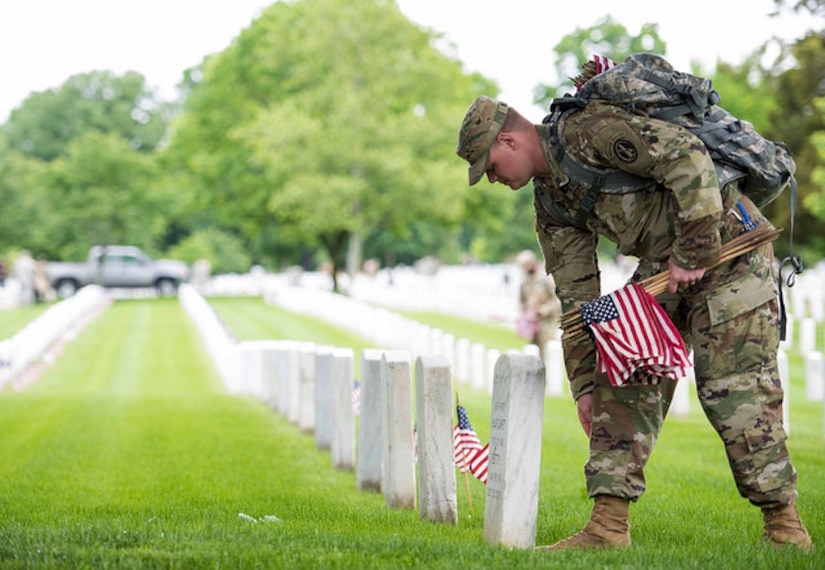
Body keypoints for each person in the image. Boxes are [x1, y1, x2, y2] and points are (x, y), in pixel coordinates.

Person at [455, 88, 811, 551]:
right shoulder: (551, 204)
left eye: (491, 168)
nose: (492, 179)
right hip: (667, 270)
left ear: (508, 142)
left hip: (728, 252)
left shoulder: (591, 133)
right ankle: (607, 528)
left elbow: (689, 158)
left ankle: (785, 528)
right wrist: (585, 385)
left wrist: (694, 250)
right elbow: (576, 301)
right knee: (622, 373)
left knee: (733, 389)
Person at [515, 249, 560, 355]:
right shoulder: (525, 283)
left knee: (547, 352)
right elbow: (522, 302)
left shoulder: (546, 280)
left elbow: (557, 300)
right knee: (533, 353)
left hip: (547, 322)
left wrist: (543, 310)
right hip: (531, 324)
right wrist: (524, 314)